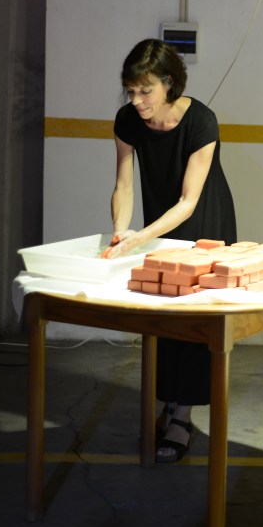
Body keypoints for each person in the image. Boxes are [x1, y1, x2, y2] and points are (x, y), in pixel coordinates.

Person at [105, 38, 237, 461]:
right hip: (159, 219)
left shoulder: (202, 121)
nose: (137, 101)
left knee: (193, 317)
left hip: (203, 220)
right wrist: (121, 231)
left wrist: (141, 237)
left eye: (146, 91)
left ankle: (182, 416)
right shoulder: (127, 120)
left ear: (168, 83)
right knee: (162, 311)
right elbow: (124, 185)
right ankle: (170, 402)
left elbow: (189, 201)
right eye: (131, 91)